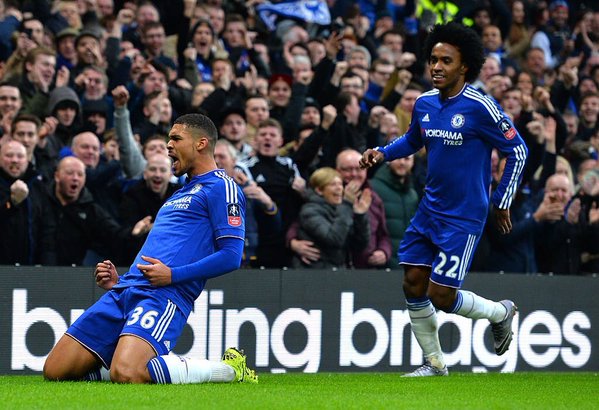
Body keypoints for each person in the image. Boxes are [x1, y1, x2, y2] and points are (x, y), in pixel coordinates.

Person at [360, 22, 528, 376]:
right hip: (429, 209)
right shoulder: (423, 103)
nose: (436, 66)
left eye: (445, 61)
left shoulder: (481, 106)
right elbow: (413, 139)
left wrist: (502, 199)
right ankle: (434, 362)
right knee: (412, 282)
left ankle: (501, 313)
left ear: (464, 66)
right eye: (433, 59)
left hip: (464, 215)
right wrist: (383, 153)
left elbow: (518, 150)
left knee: (441, 295)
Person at [43, 113, 257, 385]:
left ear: (201, 143)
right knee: (56, 370)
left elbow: (231, 256)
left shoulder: (222, 187)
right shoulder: (178, 194)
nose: (168, 145)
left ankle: (228, 370)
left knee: (128, 373)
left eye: (176, 138)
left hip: (164, 294)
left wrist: (173, 275)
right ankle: (127, 361)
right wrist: (120, 282)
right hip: (125, 291)